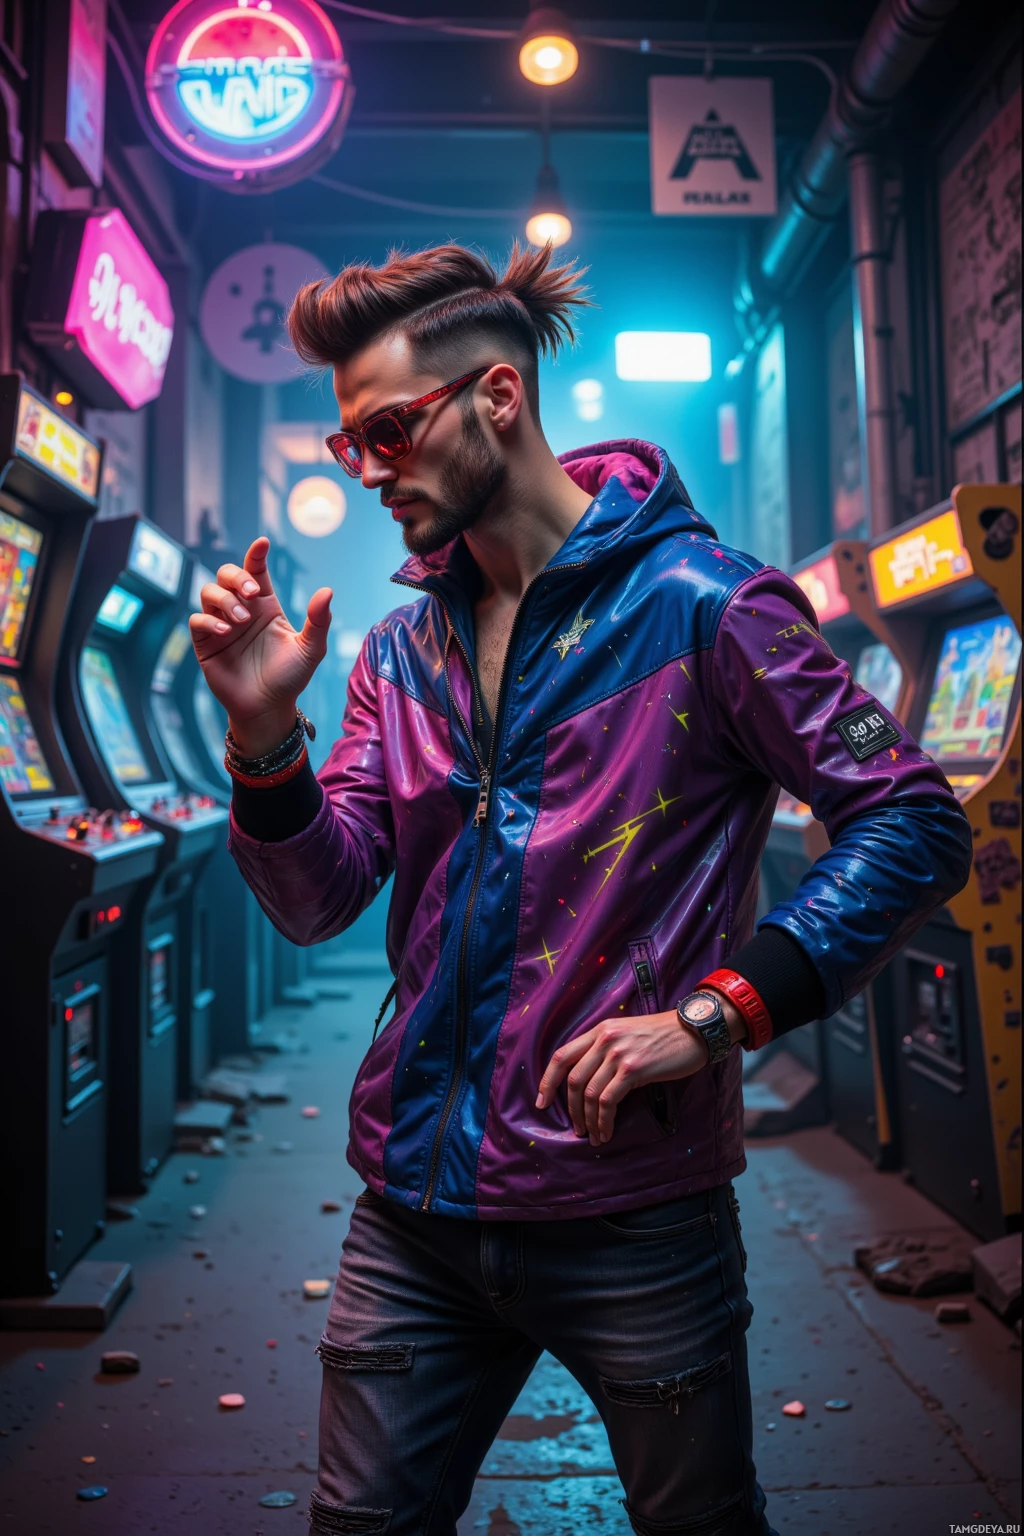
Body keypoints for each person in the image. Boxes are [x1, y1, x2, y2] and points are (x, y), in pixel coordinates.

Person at [189, 243, 972, 1536]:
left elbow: (909, 820)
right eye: (350, 447)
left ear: (497, 398)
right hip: (414, 1210)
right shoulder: (400, 652)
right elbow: (320, 898)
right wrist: (265, 742)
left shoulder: (710, 612)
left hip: (634, 1216)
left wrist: (721, 1012)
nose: (369, 471)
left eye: (388, 430)